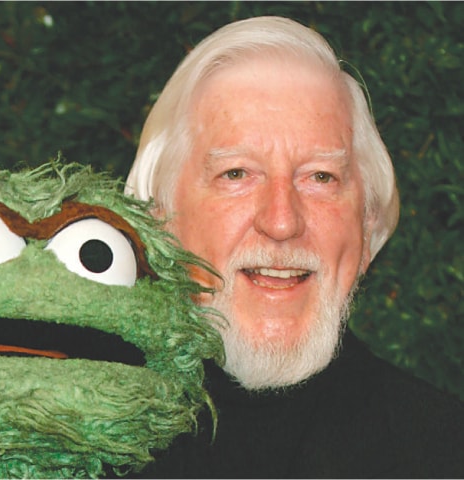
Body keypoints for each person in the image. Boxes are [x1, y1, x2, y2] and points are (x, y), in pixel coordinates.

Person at [125, 16, 463, 478]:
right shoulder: (70, 447)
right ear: (160, 219)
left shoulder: (445, 449)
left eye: (321, 177)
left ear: (366, 228)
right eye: (237, 174)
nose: (282, 221)